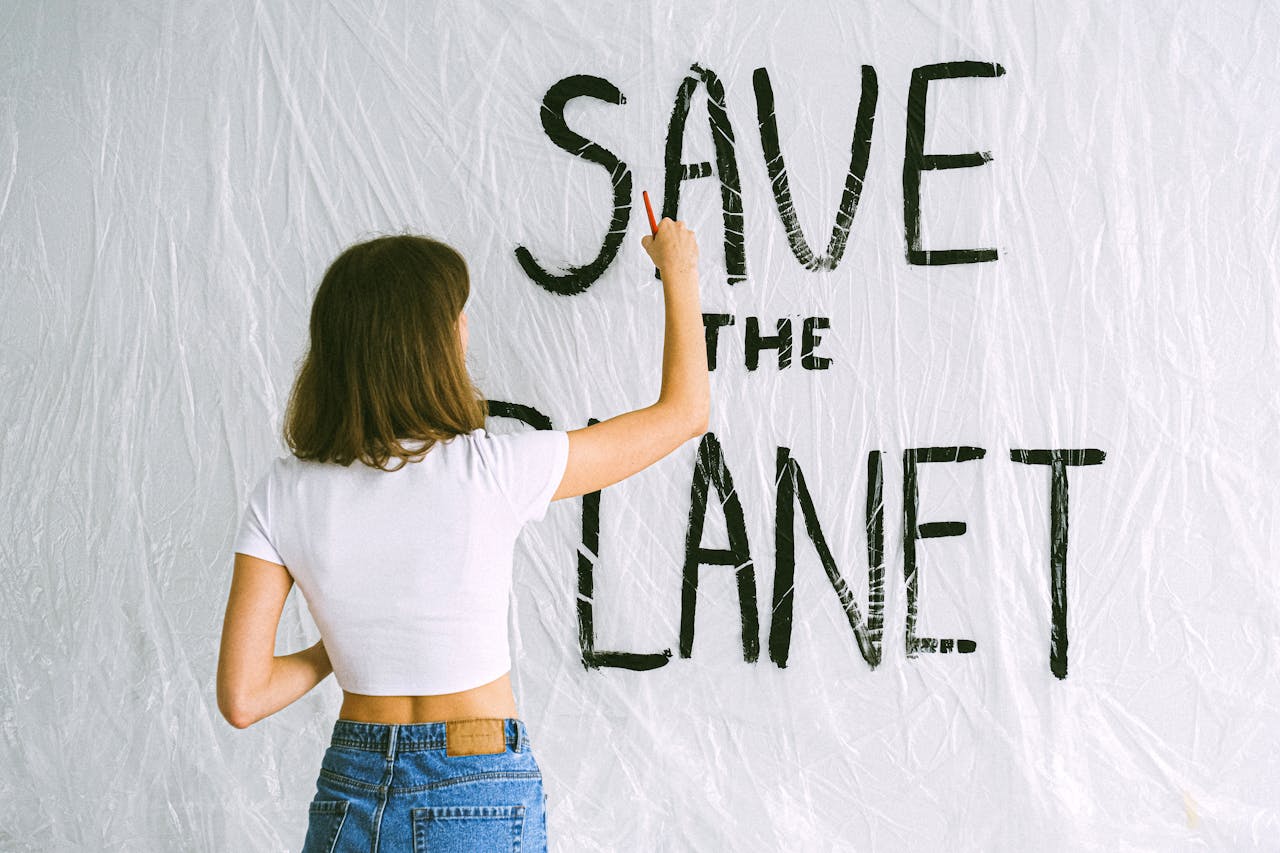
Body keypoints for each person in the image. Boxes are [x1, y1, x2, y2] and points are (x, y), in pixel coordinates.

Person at [215, 218, 707, 852]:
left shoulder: (284, 491)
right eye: (459, 317)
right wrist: (681, 270)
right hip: (473, 787)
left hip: (351, 787)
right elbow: (685, 413)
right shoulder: (491, 469)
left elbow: (243, 697)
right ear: (434, 345)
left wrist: (335, 648)